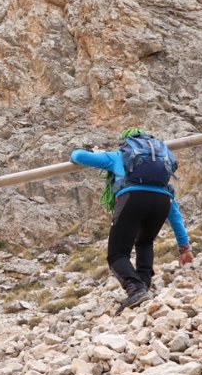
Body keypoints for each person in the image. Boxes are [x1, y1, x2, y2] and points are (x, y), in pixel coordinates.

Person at [71, 128, 194, 313]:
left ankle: (135, 289)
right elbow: (174, 213)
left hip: (132, 198)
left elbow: (79, 155)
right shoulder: (161, 170)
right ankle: (143, 286)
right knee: (144, 242)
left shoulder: (119, 156)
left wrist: (80, 155)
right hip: (162, 202)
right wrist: (184, 247)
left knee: (117, 254)